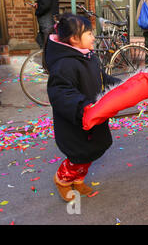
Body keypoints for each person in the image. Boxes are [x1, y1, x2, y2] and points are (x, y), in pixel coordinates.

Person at [45, 13, 121, 202]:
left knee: (91, 153)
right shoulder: (64, 64)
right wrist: (84, 107)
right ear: (74, 39)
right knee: (78, 156)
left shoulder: (89, 58)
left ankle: (78, 180)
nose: (93, 37)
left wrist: (123, 84)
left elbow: (103, 78)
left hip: (93, 117)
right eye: (88, 33)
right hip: (76, 120)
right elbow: (61, 92)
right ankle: (62, 180)